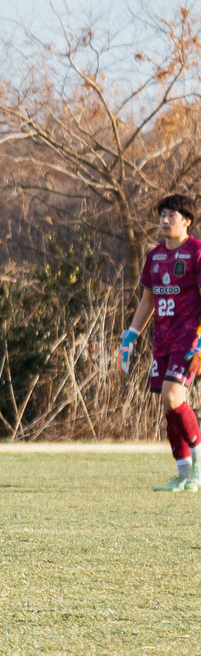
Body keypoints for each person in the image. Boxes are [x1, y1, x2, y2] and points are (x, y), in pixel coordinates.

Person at [119, 194, 201, 491]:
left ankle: (199, 467)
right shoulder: (154, 256)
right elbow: (147, 300)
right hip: (162, 341)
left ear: (187, 221)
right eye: (162, 215)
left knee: (172, 396)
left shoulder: (196, 252)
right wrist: (130, 337)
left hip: (189, 340)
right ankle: (183, 473)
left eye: (172, 216)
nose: (165, 221)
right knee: (169, 408)